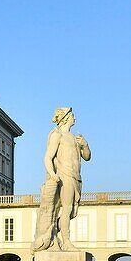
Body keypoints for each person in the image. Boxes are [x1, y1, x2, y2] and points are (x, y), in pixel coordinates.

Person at [32, 107, 91, 252]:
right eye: (73, 116)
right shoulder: (57, 135)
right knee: (67, 208)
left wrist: (85, 145)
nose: (75, 118)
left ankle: (51, 233)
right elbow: (48, 157)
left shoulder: (76, 138)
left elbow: (87, 157)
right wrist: (52, 174)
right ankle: (66, 241)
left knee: (72, 212)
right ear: (66, 117)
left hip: (76, 177)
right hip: (64, 175)